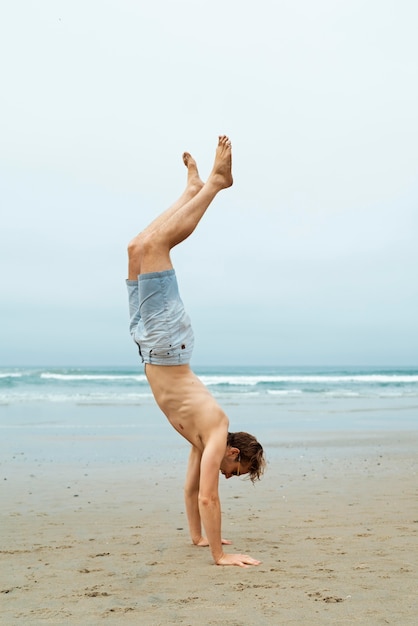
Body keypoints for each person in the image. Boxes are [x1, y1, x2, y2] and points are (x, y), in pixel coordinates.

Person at [126, 135, 265, 568]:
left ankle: (189, 192)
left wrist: (197, 538)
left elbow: (189, 492)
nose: (228, 477)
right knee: (155, 248)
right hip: (168, 345)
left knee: (136, 250)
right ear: (234, 454)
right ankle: (213, 186)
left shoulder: (203, 438)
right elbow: (208, 495)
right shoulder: (216, 432)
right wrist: (221, 555)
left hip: (151, 347)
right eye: (235, 472)